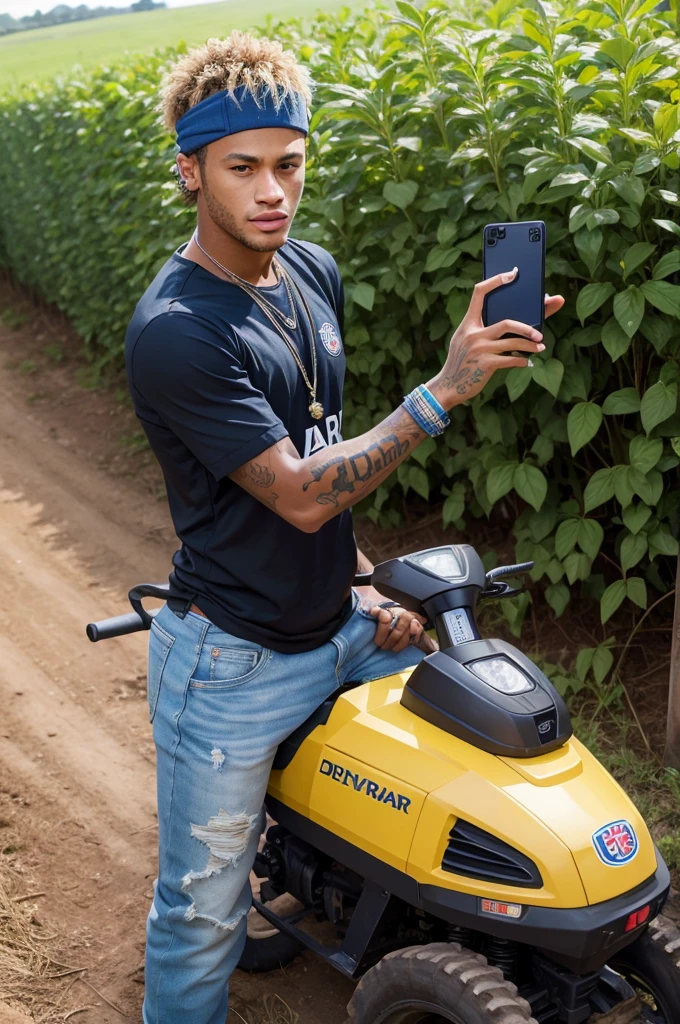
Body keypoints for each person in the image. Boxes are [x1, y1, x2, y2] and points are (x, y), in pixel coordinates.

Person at [124, 29, 564, 1024]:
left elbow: (322, 450)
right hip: (229, 660)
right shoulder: (177, 331)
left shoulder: (308, 272)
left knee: (463, 783)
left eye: (289, 163)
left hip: (341, 620)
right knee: (200, 908)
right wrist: (443, 390)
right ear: (190, 172)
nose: (273, 189)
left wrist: (366, 582)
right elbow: (299, 491)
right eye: (243, 169)